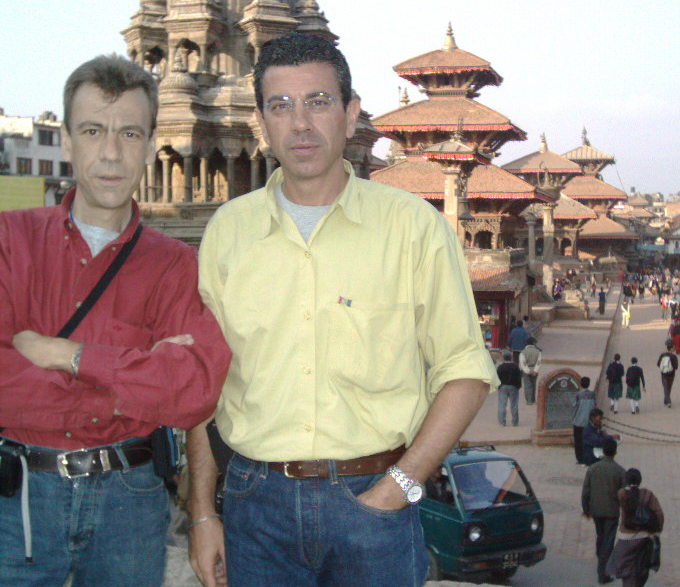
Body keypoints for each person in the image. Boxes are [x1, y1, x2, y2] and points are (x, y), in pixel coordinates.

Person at [187, 33, 498, 587]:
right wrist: (203, 511)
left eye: (319, 101)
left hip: (373, 501)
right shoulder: (227, 232)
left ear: (351, 115)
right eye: (281, 106)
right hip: (254, 503)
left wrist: (399, 486)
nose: (300, 123)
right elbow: (202, 386)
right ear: (262, 122)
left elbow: (466, 371)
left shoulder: (412, 227)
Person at [0, 55, 231, 586]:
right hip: (21, 499)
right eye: (92, 130)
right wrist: (140, 376)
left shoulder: (175, 263)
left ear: (151, 146)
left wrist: (67, 355)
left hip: (128, 500)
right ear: (66, 140)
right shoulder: (11, 242)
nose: (110, 152)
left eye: (129, 133)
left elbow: (194, 391)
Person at [608, 468, 664, 587]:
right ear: (640, 480)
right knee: (641, 571)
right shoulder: (648, 495)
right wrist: (656, 532)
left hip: (625, 539)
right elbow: (659, 515)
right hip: (644, 539)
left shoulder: (622, 494)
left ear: (626, 480)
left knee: (627, 573)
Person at [582, 439, 626, 585]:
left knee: (601, 537)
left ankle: (601, 559)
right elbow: (624, 495)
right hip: (612, 511)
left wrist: (586, 509)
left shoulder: (593, 468)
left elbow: (586, 491)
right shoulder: (620, 471)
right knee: (608, 541)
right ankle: (603, 572)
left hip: (596, 510)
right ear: (615, 452)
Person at [572, 376, 596, 464]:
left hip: (578, 421)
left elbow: (574, 405)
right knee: (589, 441)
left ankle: (580, 459)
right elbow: (595, 406)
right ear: (589, 384)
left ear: (581, 384)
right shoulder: (592, 394)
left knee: (578, 442)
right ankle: (588, 457)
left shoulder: (578, 395)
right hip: (589, 422)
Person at [497, 351, 522, 426]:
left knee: (502, 405)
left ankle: (502, 422)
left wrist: (499, 386)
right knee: (514, 404)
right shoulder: (515, 367)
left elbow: (497, 378)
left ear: (503, 358)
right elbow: (519, 378)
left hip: (503, 387)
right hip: (513, 387)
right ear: (511, 357)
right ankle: (514, 422)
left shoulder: (500, 367)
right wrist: (518, 386)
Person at [519, 336, 541, 405]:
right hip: (535, 370)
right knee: (533, 385)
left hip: (526, 371)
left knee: (527, 385)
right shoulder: (538, 352)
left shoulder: (523, 352)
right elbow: (538, 362)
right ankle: (533, 399)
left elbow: (523, 363)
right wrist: (535, 370)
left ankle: (529, 401)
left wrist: (528, 371)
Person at [656, 344, 679, 408]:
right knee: (669, 387)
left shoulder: (662, 355)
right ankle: (668, 401)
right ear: (671, 349)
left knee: (665, 387)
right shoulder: (674, 357)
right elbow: (676, 367)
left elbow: (658, 364)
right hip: (671, 374)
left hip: (663, 374)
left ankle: (666, 400)